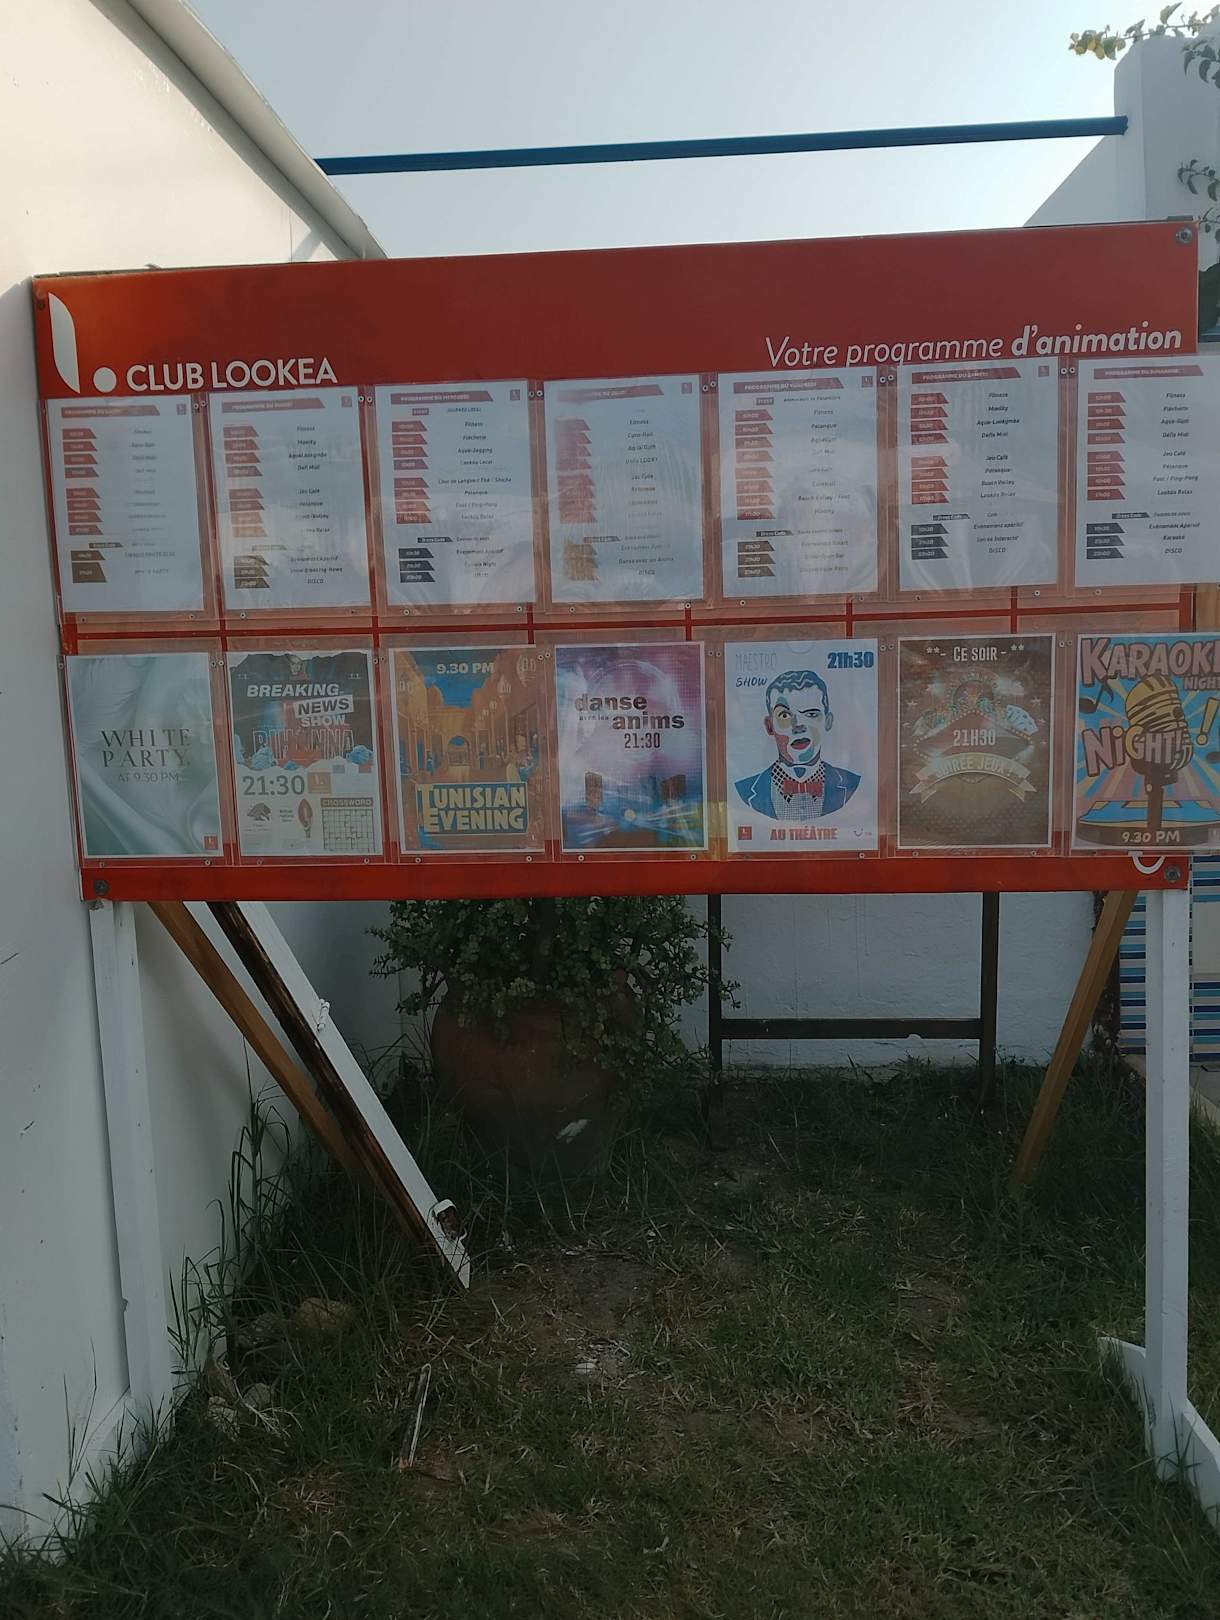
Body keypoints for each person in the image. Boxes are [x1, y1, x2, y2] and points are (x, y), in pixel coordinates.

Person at [735, 668, 859, 820]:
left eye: (811, 714)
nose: (798, 725)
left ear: (828, 721)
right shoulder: (746, 790)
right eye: (785, 715)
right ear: (770, 726)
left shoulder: (852, 784)